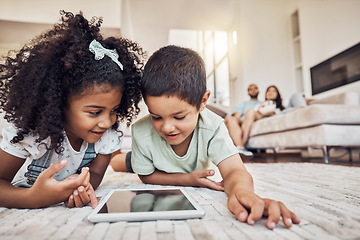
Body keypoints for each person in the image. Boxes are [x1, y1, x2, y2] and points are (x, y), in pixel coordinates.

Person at [111, 45, 300, 229]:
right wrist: (188, 179)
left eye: (179, 116)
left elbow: (234, 170)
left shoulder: (213, 126)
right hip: (153, 162)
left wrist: (241, 191)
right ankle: (121, 158)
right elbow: (146, 175)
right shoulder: (142, 132)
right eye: (156, 116)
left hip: (176, 163)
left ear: (202, 102)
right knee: (118, 163)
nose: (167, 127)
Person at [0, 10, 144, 209]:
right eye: (95, 112)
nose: (107, 122)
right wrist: (32, 198)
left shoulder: (107, 136)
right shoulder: (30, 135)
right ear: (60, 103)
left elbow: (94, 175)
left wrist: (81, 189)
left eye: (114, 110)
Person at [224, 84, 261, 157]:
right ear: (248, 92)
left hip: (255, 118)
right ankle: (241, 147)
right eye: (250, 89)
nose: (253, 90)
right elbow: (237, 115)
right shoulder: (243, 104)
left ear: (258, 90)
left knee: (250, 112)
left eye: (255, 88)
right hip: (244, 120)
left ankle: (240, 145)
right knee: (231, 119)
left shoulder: (262, 103)